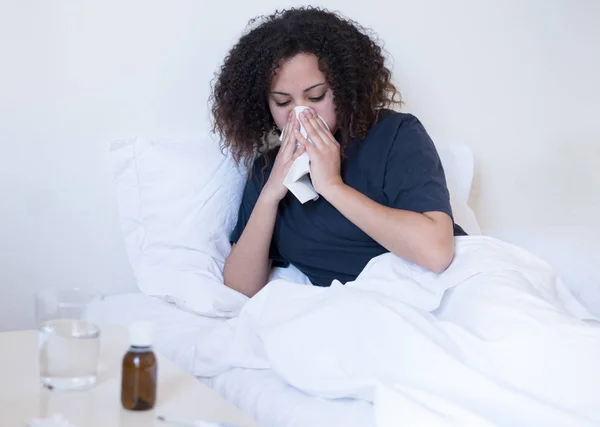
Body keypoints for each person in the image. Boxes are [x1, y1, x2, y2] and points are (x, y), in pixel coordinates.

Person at [210, 7, 467, 298]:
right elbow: (239, 290)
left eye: (316, 96)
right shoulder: (267, 170)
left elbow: (436, 253)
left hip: (435, 292)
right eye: (283, 102)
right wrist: (270, 194)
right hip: (348, 312)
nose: (300, 112)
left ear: (343, 88)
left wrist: (332, 186)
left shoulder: (395, 135)